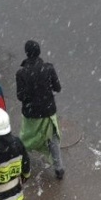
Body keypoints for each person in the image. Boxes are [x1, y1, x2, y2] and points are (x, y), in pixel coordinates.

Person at [16, 40, 64, 180]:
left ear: (26, 53)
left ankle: (23, 165)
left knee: (26, 138)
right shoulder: (48, 68)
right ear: (39, 52)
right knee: (52, 139)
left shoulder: (21, 73)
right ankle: (59, 168)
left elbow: (20, 96)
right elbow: (57, 88)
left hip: (31, 114)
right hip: (48, 112)